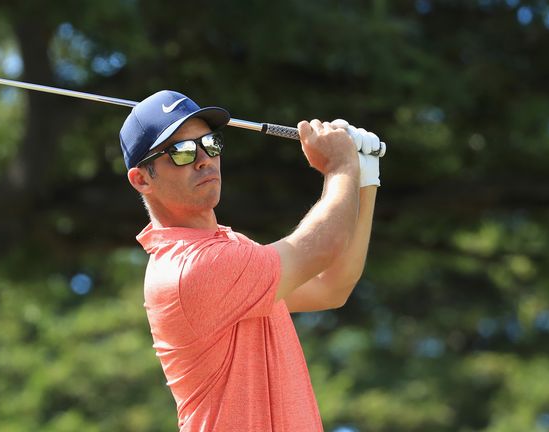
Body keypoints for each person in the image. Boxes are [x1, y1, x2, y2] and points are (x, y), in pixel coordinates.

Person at [120, 90, 381, 431]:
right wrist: (341, 166)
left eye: (210, 143)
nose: (203, 159)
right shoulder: (192, 267)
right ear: (142, 179)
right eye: (181, 152)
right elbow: (322, 246)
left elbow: (331, 287)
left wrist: (365, 177)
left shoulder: (232, 247)